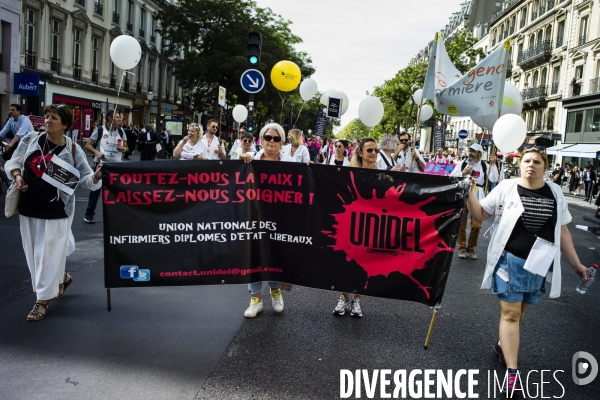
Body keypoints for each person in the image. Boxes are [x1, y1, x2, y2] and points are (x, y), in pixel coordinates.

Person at [464, 147, 588, 393]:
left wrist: (576, 265)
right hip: (508, 261)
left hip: (539, 265)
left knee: (519, 315)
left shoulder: (554, 193)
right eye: (527, 161)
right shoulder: (506, 188)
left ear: (545, 166)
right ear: (520, 165)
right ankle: (512, 372)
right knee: (510, 315)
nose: (531, 164)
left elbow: (563, 232)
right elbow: (478, 213)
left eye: (537, 161)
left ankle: (503, 344)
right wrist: (469, 190)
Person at [6, 104, 102, 321]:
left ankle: (41, 301)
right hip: (29, 207)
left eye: (54, 118)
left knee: (46, 256)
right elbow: (15, 161)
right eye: (47, 116)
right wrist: (17, 176)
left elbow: (87, 180)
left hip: (57, 211)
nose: (48, 120)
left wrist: (97, 176)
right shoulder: (31, 139)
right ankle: (62, 278)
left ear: (65, 124)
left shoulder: (73, 149)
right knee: (33, 254)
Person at [239, 123, 293, 318]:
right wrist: (241, 161)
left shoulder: (290, 162)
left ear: (281, 142)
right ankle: (255, 298)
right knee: (253, 253)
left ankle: (276, 290)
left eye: (276, 138)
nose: (271, 142)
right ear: (261, 140)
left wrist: (310, 170)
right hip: (253, 215)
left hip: (279, 215)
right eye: (268, 138)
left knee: (275, 252)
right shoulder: (249, 159)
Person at [332, 138, 380, 318]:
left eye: (376, 150)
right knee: (346, 261)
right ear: (360, 153)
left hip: (370, 225)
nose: (374, 153)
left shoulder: (382, 175)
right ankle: (343, 297)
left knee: (363, 262)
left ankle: (357, 299)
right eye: (370, 150)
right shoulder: (348, 173)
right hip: (350, 223)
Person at [450, 143, 498, 260]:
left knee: (476, 225)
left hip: (478, 198)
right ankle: (462, 248)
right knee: (461, 224)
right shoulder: (462, 164)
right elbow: (450, 177)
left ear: (479, 154)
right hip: (463, 195)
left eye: (474, 151)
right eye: (470, 150)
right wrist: (463, 173)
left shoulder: (485, 166)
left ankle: (471, 248)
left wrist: (494, 165)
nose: (471, 153)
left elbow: (494, 179)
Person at [84, 109, 127, 224]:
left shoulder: (121, 131)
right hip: (101, 164)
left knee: (116, 191)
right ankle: (89, 214)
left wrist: (122, 149)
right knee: (96, 190)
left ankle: (115, 216)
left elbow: (127, 148)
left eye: (119, 117)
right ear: (110, 118)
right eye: (117, 117)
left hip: (116, 165)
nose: (120, 119)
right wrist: (97, 153)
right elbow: (88, 145)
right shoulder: (99, 130)